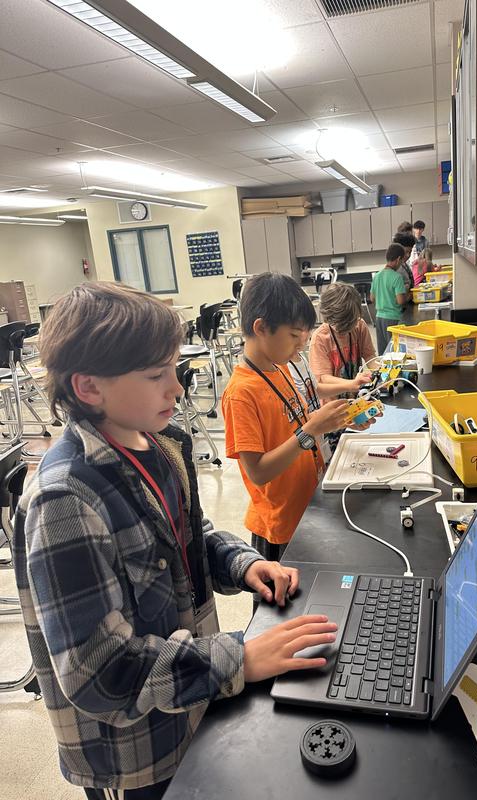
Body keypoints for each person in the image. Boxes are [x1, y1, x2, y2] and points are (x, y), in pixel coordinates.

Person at [13, 282, 338, 799]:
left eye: (174, 369)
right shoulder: (65, 501)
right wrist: (240, 656)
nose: (178, 389)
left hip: (187, 702)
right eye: (155, 375)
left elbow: (188, 535)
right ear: (89, 387)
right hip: (134, 755)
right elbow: (98, 672)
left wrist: (242, 564)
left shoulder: (159, 446)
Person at [222, 273, 350, 564]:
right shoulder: (241, 393)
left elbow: (304, 419)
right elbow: (258, 472)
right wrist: (309, 431)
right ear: (261, 327)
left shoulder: (280, 369)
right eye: (294, 336)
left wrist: (340, 419)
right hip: (279, 527)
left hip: (306, 504)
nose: (301, 345)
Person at [308, 282, 377, 398]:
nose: (350, 327)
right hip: (333, 405)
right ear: (329, 317)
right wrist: (351, 384)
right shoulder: (320, 338)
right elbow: (323, 378)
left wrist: (380, 372)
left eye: (353, 321)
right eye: (344, 324)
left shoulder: (359, 326)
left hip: (356, 398)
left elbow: (370, 356)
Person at [370, 243, 410, 354]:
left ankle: (383, 370)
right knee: (394, 350)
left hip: (379, 318)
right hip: (393, 318)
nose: (401, 264)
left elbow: (372, 298)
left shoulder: (377, 276)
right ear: (398, 259)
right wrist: (408, 296)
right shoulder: (397, 277)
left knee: (383, 351)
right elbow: (400, 301)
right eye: (401, 261)